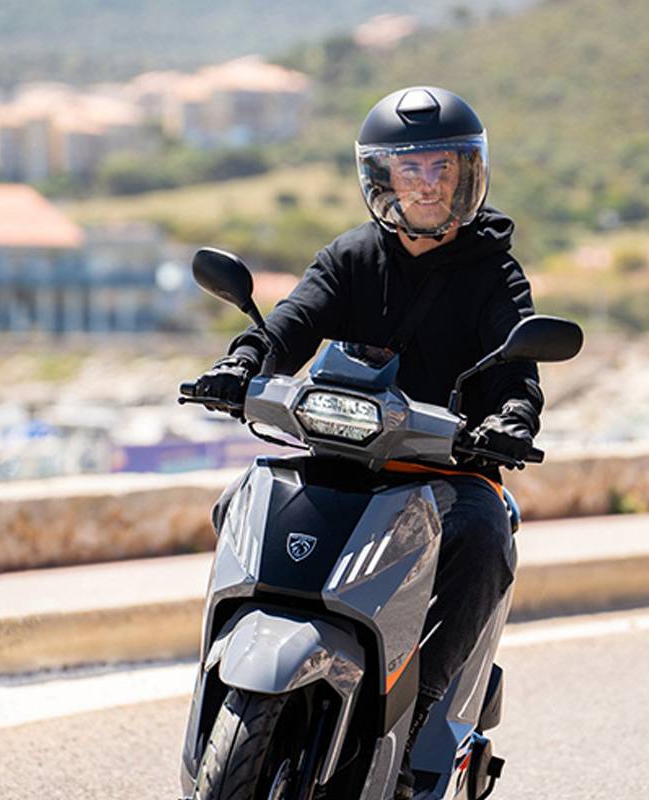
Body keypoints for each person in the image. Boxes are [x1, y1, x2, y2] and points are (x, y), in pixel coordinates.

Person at [194, 86, 544, 799]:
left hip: (446, 471)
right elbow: (291, 321)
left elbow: (519, 370)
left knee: (484, 535)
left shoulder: (493, 271)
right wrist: (242, 362)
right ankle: (229, 667)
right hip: (341, 457)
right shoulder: (352, 254)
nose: (427, 184)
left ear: (468, 174)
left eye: (442, 167)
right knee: (238, 500)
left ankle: (419, 720)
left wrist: (512, 416)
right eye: (410, 168)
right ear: (382, 177)